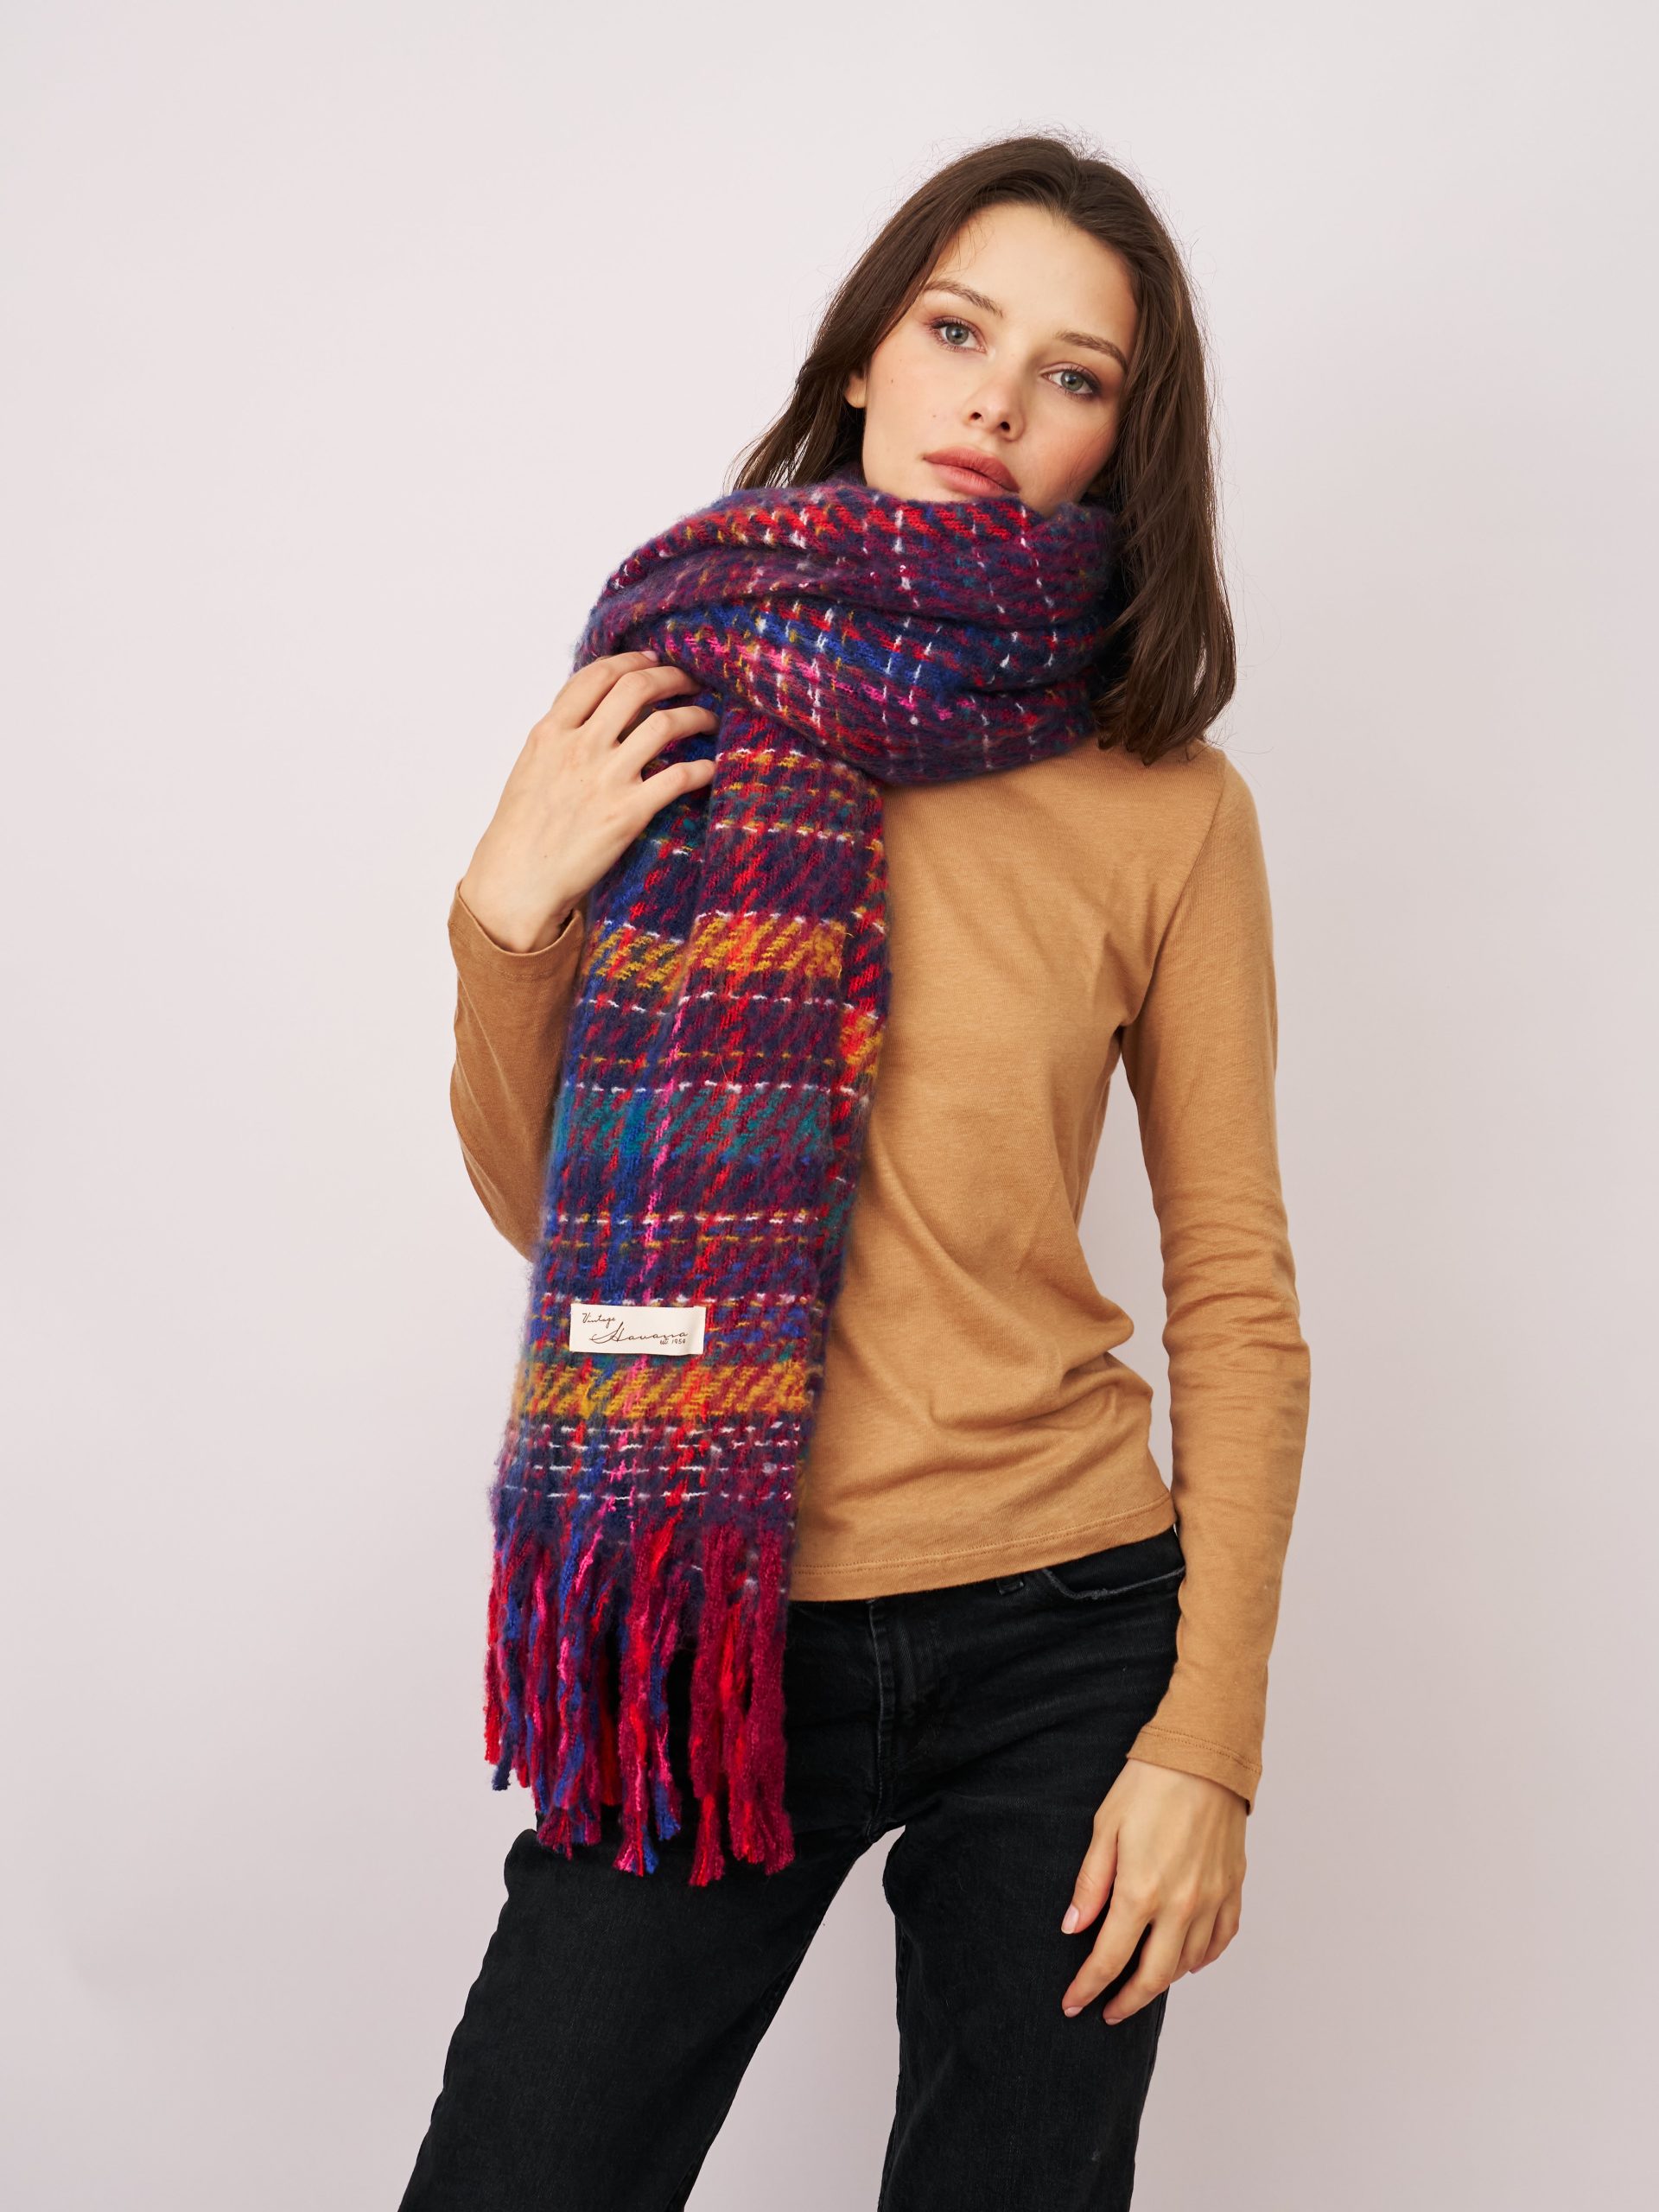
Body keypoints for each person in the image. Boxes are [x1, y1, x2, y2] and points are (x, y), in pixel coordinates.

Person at [399, 131, 1311, 2212]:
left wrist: (1207, 1743)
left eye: (1072, 376)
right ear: (866, 357)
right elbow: (552, 1214)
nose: (998, 403)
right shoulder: (662, 703)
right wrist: (504, 916)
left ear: (1119, 442)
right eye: (959, 331)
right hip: (711, 1611)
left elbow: (1237, 1284)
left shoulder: (1165, 801)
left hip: (1066, 1624)